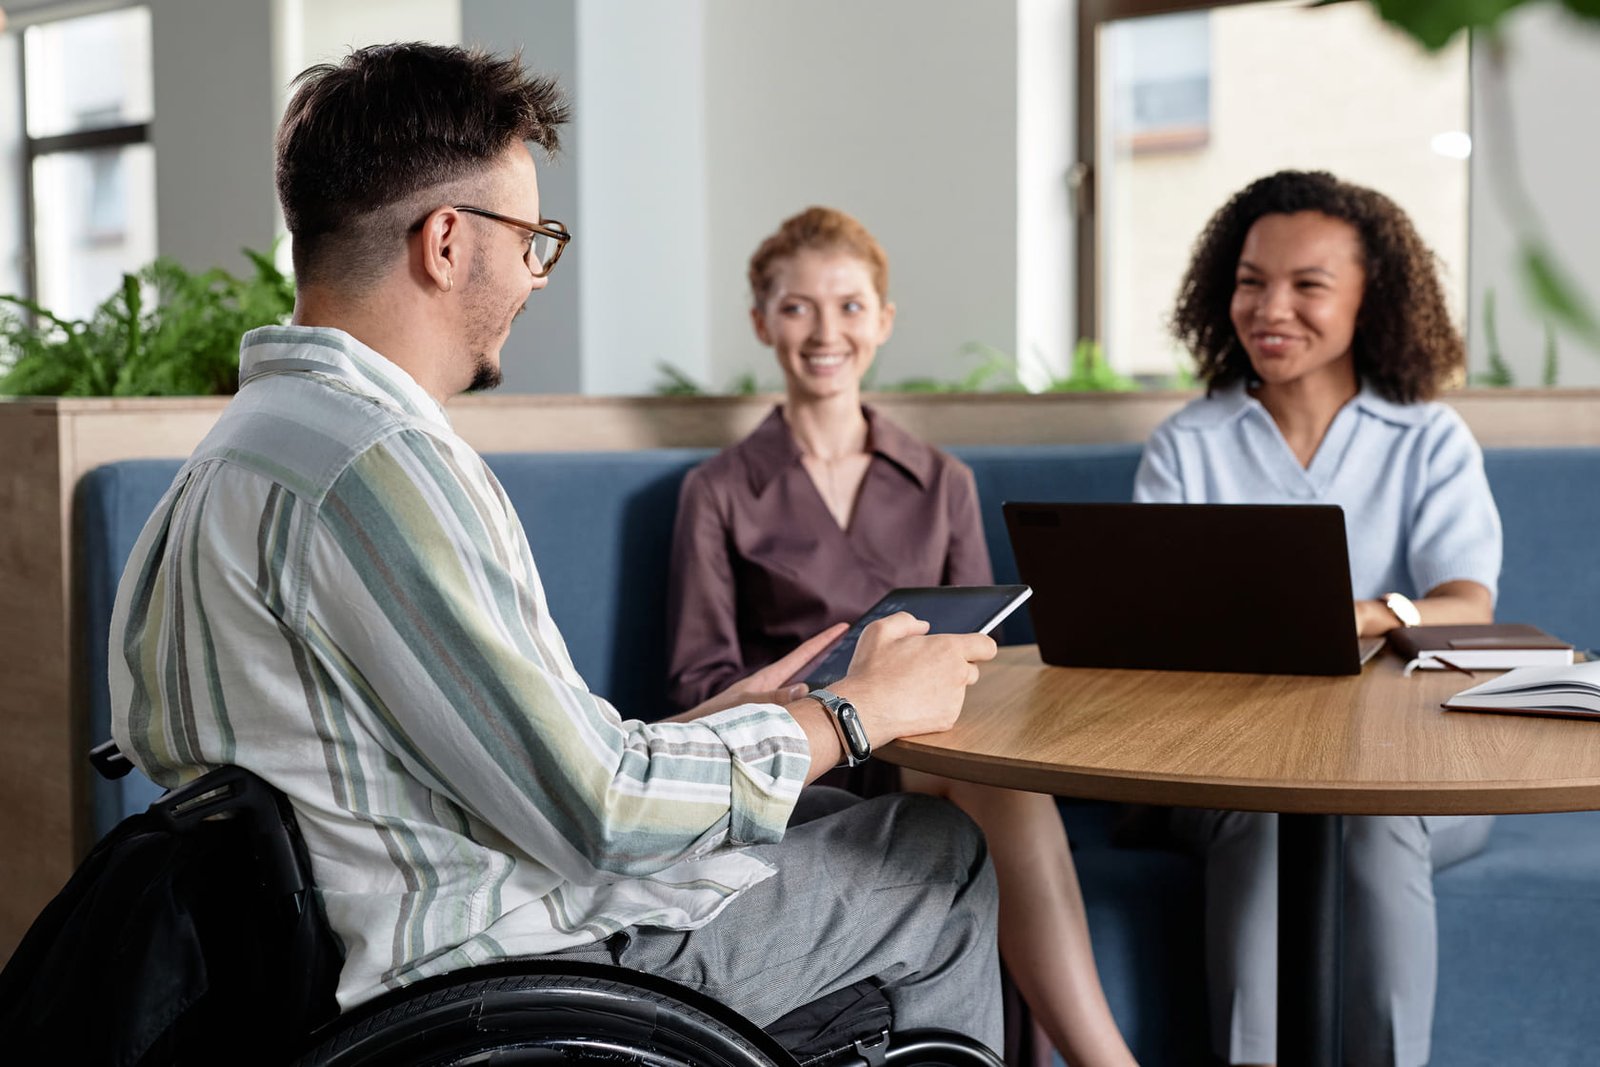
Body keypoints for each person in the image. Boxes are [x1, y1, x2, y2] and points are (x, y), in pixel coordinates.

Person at [106, 43, 1007, 1052]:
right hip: (493, 982)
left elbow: (513, 763)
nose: (537, 274)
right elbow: (601, 808)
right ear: (447, 243)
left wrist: (738, 719)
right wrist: (852, 711)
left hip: (380, 959)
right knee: (937, 851)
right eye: (532, 238)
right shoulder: (375, 469)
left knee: (849, 826)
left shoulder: (240, 452)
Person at [667, 206, 1138, 1066]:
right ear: (762, 321)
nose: (824, 330)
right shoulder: (720, 489)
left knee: (982, 769)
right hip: (804, 758)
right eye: (798, 305)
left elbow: (983, 650)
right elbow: (703, 677)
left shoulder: (943, 480)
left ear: (883, 321)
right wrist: (838, 702)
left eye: (849, 305)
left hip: (941, 745)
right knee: (989, 785)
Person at [1136, 169, 1501, 1066]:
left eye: (1308, 285)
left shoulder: (1428, 437)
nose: (1271, 307)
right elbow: (1146, 622)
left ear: (1369, 298)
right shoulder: (1188, 446)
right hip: (1225, 759)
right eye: (1252, 280)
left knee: (1377, 821)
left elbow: (1469, 604)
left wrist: (1368, 614)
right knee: (1262, 819)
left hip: (1406, 762)